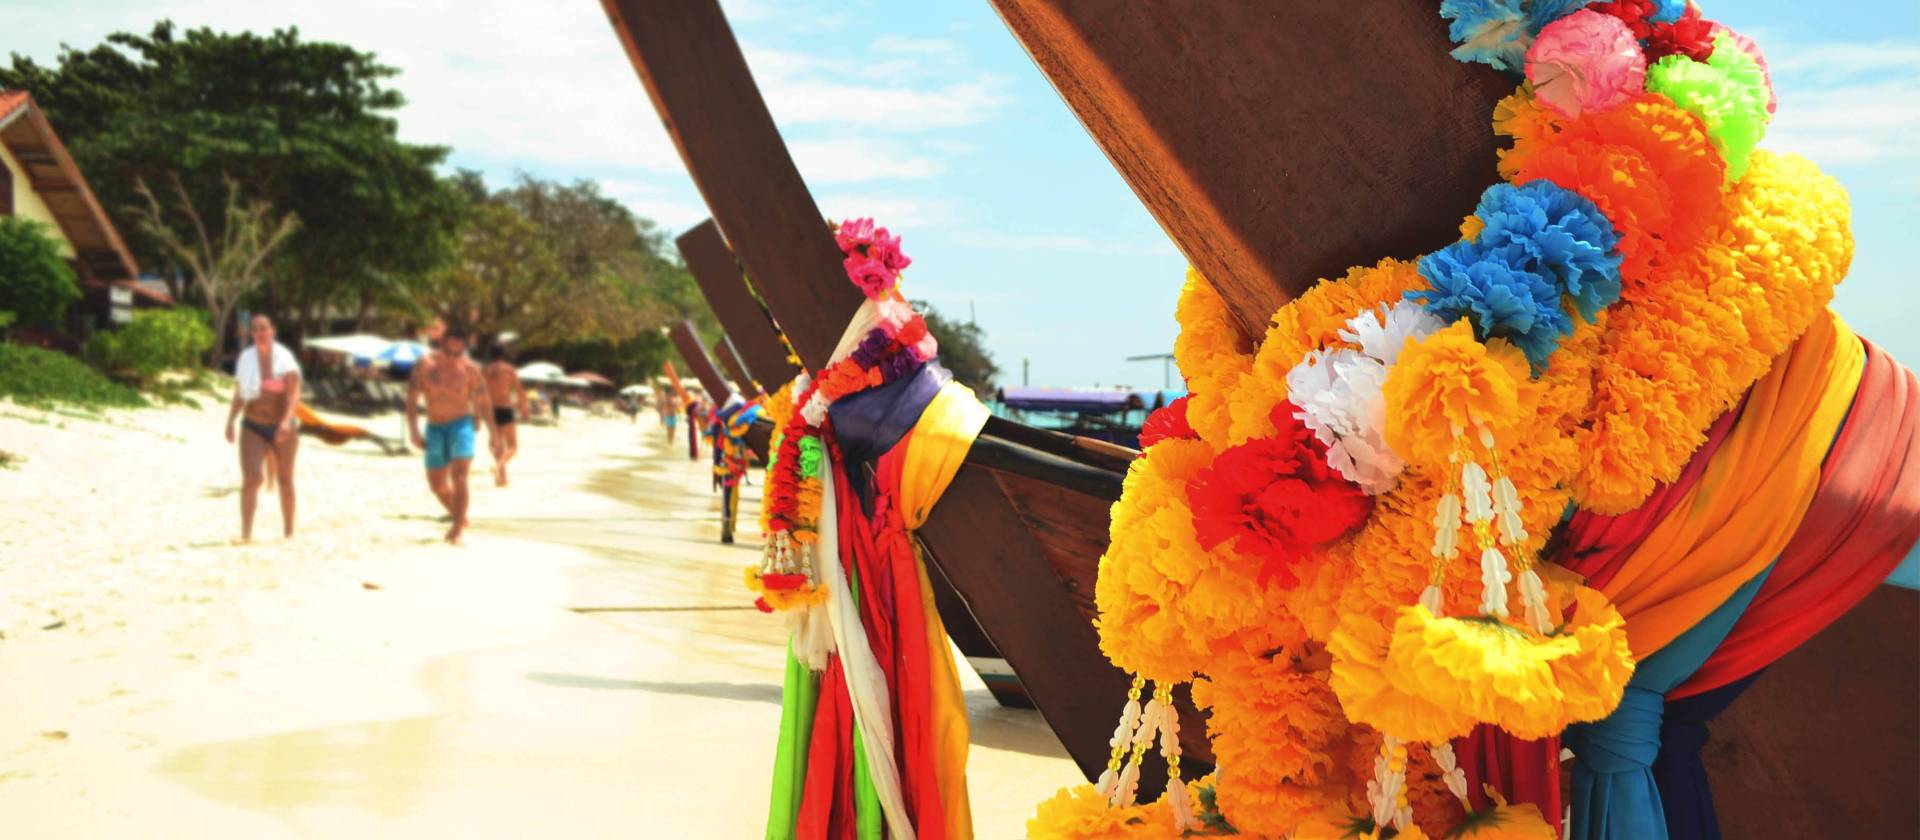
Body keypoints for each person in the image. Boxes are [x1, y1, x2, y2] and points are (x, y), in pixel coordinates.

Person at [405, 323, 495, 545]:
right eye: (449, 350)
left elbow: (484, 401)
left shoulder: (470, 369)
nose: (453, 355)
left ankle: (456, 530)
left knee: (460, 475)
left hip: (461, 425)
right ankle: (460, 516)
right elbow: (411, 399)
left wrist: (494, 434)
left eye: (458, 351)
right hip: (434, 427)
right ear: (441, 343)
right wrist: (414, 431)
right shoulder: (424, 365)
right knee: (437, 485)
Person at [224, 314, 301, 542]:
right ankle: (246, 534)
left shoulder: (285, 358)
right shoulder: (246, 358)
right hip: (252, 424)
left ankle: (288, 530)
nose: (260, 332)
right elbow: (240, 392)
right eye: (255, 329)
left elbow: (294, 392)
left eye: (264, 328)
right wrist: (230, 420)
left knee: (285, 479)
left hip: (281, 424)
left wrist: (287, 420)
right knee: (251, 478)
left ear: (273, 331)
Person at [482, 347, 528, 487]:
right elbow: (519, 389)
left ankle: (501, 480)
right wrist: (523, 407)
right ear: (503, 355)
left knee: (495, 445)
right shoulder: (508, 369)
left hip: (490, 410)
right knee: (512, 446)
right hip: (505, 409)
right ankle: (498, 466)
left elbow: (479, 391)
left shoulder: (485, 370)